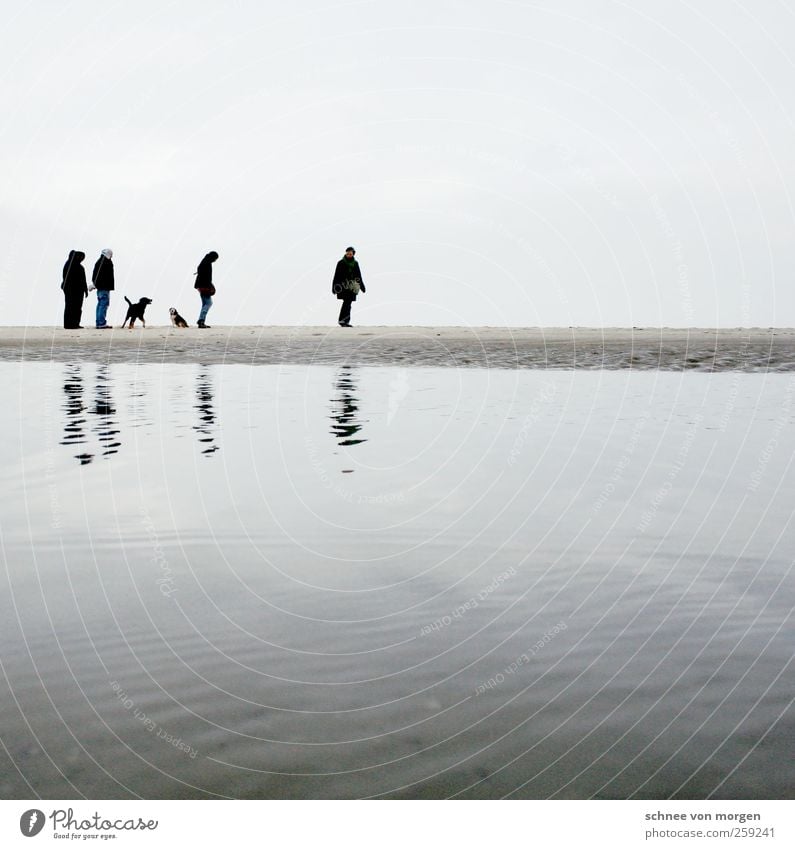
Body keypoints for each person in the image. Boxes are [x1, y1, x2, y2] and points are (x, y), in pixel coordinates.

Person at [332, 246, 366, 327]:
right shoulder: (340, 263)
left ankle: (344, 321)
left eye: (350, 254)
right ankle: (343, 321)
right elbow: (336, 275)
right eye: (347, 253)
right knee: (347, 303)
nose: (349, 255)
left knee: (348, 303)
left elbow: (358, 275)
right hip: (343, 286)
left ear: (353, 254)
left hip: (352, 287)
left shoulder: (355, 263)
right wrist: (334, 287)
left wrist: (362, 286)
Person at [61, 250, 87, 329]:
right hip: (74, 290)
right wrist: (85, 290)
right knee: (72, 307)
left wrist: (85, 290)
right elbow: (82, 280)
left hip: (74, 290)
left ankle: (72, 324)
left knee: (72, 307)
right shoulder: (76, 267)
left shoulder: (68, 265)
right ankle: (71, 324)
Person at [90, 248, 114, 329]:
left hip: (101, 287)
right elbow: (102, 276)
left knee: (100, 304)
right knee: (103, 304)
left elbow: (95, 275)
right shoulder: (105, 262)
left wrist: (94, 284)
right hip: (104, 287)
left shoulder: (99, 261)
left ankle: (99, 322)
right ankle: (101, 323)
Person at [194, 251, 219, 328]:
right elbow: (206, 277)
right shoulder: (207, 263)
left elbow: (200, 270)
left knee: (205, 304)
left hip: (201, 285)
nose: (215, 260)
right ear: (213, 257)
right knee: (208, 303)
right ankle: (201, 321)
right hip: (204, 286)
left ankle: (201, 321)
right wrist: (209, 286)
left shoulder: (205, 261)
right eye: (215, 259)